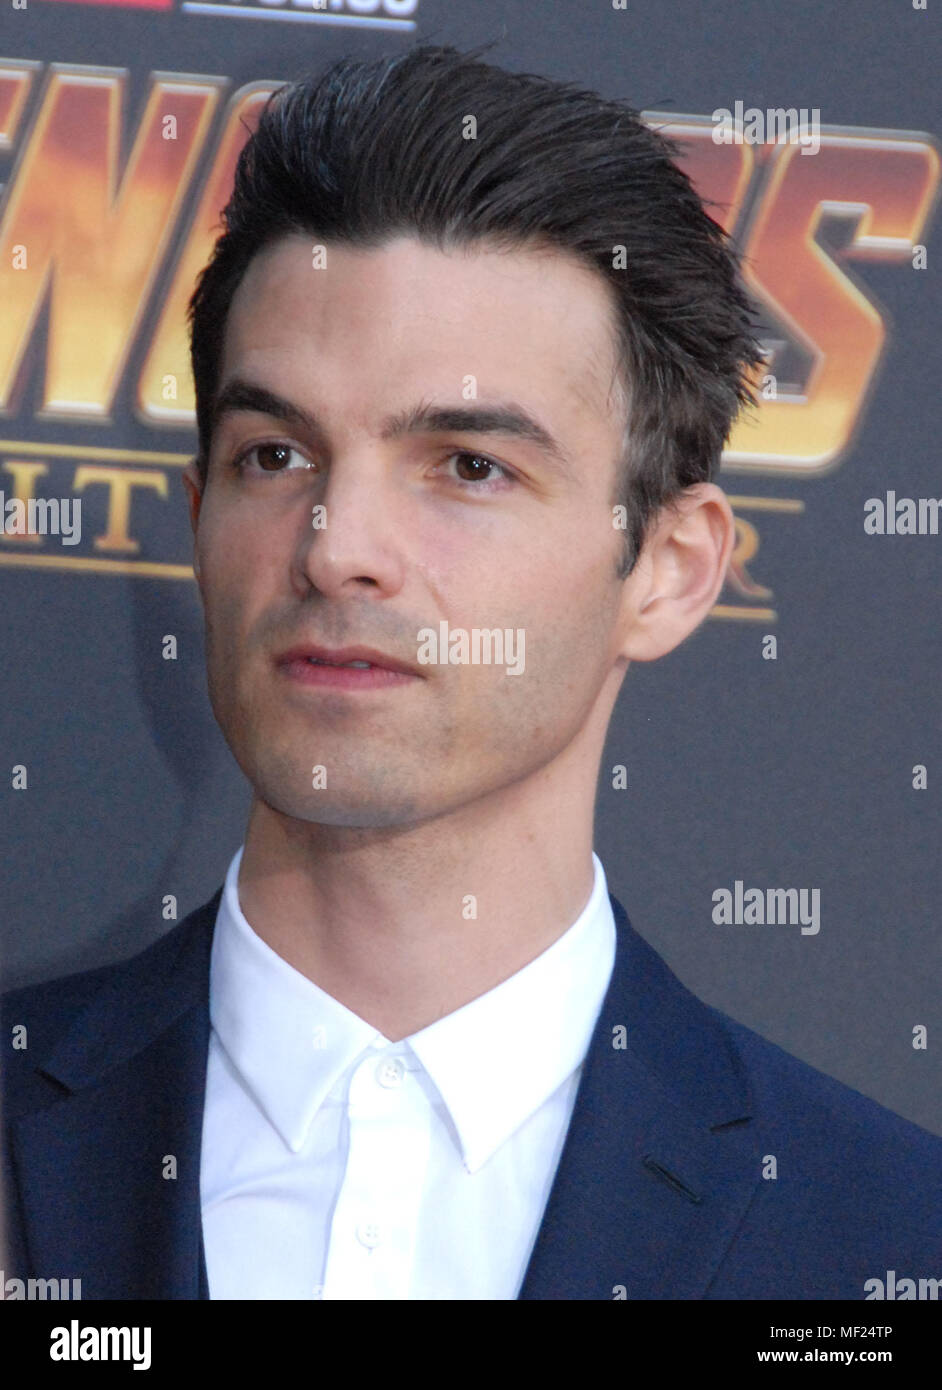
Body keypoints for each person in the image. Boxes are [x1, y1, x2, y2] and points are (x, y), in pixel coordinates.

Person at [3, 43, 941, 1302]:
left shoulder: (884, 1244)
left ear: (667, 566)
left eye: (468, 466)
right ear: (198, 512)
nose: (338, 548)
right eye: (276, 455)